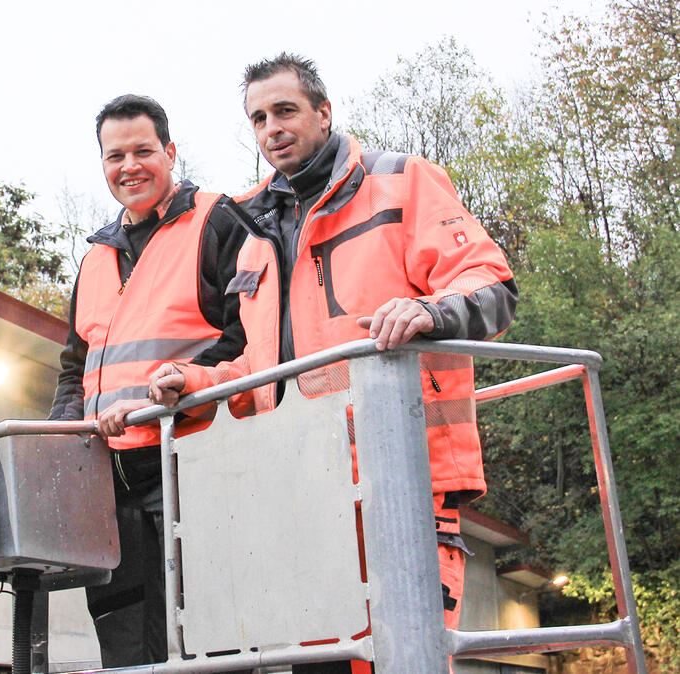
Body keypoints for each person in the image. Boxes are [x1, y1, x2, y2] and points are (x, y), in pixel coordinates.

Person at [148, 54, 518, 672]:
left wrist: (427, 311)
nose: (272, 129)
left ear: (323, 112)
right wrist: (195, 381)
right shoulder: (254, 227)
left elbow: (491, 286)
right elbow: (261, 366)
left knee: (403, 660)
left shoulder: (403, 181)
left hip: (402, 480)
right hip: (299, 492)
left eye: (285, 111)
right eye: (259, 118)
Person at [49, 94, 248, 666]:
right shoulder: (94, 257)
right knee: (127, 644)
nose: (129, 166)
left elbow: (246, 335)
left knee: (208, 637)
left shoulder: (216, 221)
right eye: (115, 156)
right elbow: (74, 368)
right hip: (111, 479)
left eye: (143, 151)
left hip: (192, 462)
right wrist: (63, 437)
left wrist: (168, 390)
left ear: (171, 152)